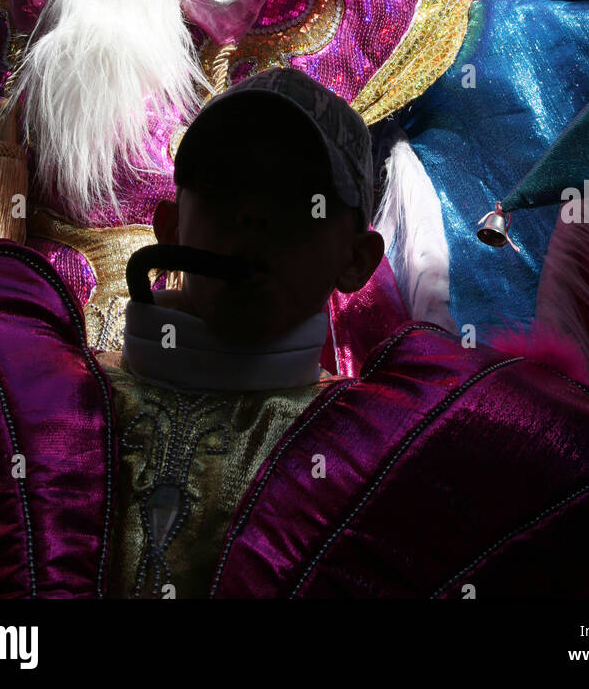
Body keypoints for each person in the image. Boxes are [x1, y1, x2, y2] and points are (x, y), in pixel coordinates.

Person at [100, 67, 384, 599]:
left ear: (357, 260)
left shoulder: (370, 453)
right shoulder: (69, 398)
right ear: (170, 227)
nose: (252, 214)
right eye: (224, 185)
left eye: (298, 195)